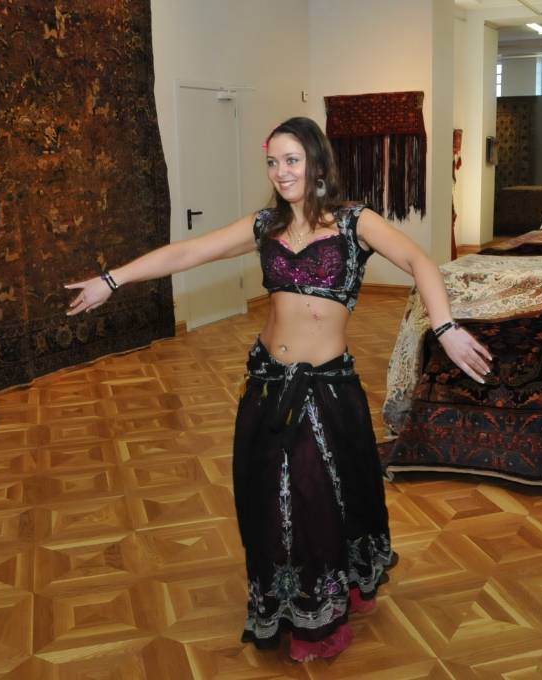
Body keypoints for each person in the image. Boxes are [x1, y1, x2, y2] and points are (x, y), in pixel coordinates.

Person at [65, 116, 492, 662]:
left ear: (316, 161)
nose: (281, 171)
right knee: (269, 499)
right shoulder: (265, 224)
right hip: (267, 383)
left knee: (321, 497)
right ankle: (289, 601)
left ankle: (324, 611)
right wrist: (113, 280)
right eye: (273, 162)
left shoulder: (354, 221)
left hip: (327, 386)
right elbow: (188, 253)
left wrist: (445, 326)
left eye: (292, 160)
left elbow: (418, 260)